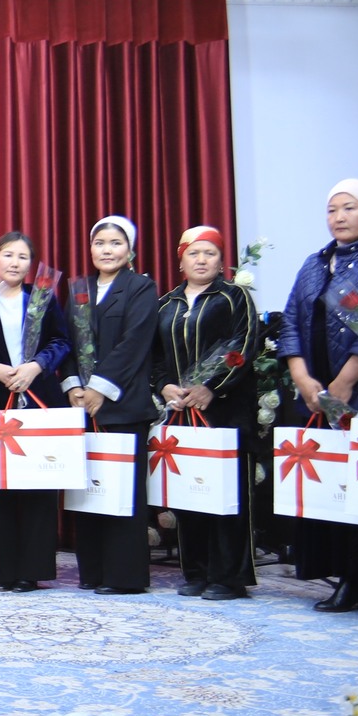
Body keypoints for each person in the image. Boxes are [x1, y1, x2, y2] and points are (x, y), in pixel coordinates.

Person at [275, 180, 358, 620]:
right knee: (336, 486)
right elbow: (291, 320)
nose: (339, 217)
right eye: (332, 209)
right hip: (317, 393)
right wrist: (302, 377)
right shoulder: (315, 262)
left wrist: (347, 381)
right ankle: (349, 580)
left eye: (349, 208)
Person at [154, 225, 262, 600]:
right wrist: (164, 385)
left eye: (210, 253)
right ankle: (196, 571)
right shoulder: (166, 304)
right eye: (194, 253)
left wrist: (211, 387)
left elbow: (243, 346)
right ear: (180, 260)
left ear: (221, 261)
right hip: (182, 412)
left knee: (226, 493)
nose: (201, 260)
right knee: (191, 492)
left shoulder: (235, 297)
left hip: (226, 411)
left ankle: (228, 577)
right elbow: (155, 356)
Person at [62, 216, 160, 596]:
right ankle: (93, 571)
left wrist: (100, 388)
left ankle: (124, 576)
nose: (107, 250)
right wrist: (73, 386)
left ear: (130, 250)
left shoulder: (141, 287)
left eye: (116, 243)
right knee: (90, 490)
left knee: (122, 492)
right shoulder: (80, 288)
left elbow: (134, 343)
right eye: (99, 243)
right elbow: (67, 342)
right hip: (83, 408)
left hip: (124, 405)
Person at [0, 231, 73, 593]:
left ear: (31, 264)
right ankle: (4, 571)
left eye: (23, 257)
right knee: (1, 486)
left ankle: (32, 569)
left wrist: (36, 366)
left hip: (40, 396)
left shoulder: (42, 298)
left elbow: (61, 341)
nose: (15, 263)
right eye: (8, 255)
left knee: (38, 483)